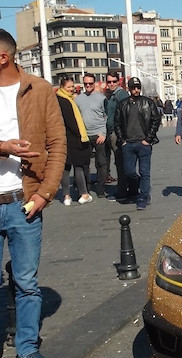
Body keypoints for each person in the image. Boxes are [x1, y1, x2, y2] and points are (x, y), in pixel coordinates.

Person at [0, 29, 66, 358]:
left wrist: (45, 193)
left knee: (26, 282)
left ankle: (27, 349)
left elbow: (57, 145)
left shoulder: (38, 90)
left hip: (23, 201)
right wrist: (3, 147)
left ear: (3, 56)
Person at [113, 77, 162, 210]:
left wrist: (148, 139)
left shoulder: (148, 103)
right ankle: (142, 186)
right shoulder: (122, 104)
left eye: (138, 87)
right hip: (128, 144)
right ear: (129, 89)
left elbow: (155, 120)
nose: (136, 90)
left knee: (144, 172)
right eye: (133, 87)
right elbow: (117, 123)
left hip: (144, 144)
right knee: (129, 172)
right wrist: (122, 140)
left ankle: (143, 197)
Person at [56, 77, 92, 205]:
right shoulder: (65, 101)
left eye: (72, 86)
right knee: (79, 166)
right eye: (69, 87)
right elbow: (72, 122)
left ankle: (66, 196)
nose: (71, 89)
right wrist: (81, 135)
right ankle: (84, 194)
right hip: (73, 138)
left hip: (62, 138)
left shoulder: (59, 99)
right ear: (62, 87)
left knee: (65, 168)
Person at [75, 73, 108, 198]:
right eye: (85, 84)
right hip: (85, 136)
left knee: (101, 163)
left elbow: (107, 116)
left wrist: (103, 133)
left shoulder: (101, 98)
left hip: (99, 134)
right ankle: (86, 188)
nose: (88, 86)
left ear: (94, 83)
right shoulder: (78, 99)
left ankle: (100, 188)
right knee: (84, 164)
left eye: (90, 83)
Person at [104, 71, 133, 203]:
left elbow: (127, 114)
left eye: (114, 81)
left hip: (118, 133)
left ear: (118, 82)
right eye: (109, 82)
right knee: (119, 161)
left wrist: (123, 134)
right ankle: (129, 188)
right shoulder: (111, 96)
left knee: (120, 162)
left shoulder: (121, 95)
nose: (111, 84)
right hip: (112, 132)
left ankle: (123, 191)